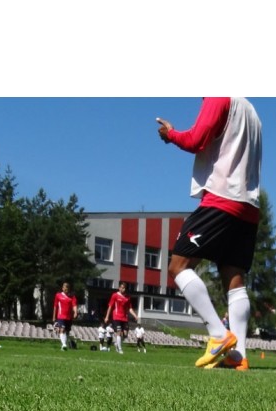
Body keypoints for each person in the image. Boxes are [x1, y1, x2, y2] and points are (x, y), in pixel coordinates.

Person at [157, 97, 262, 371]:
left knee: (178, 266)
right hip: (248, 205)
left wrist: (171, 134)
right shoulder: (251, 111)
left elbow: (196, 140)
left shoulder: (219, 96)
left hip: (221, 198)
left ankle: (217, 333)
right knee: (234, 278)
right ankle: (238, 356)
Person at [104, 282, 139, 355]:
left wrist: (135, 315)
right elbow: (110, 306)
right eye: (122, 288)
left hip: (124, 318)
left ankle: (117, 343)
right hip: (116, 317)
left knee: (125, 334)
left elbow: (130, 308)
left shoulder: (127, 297)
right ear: (119, 288)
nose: (123, 289)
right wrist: (107, 316)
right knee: (119, 332)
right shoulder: (115, 295)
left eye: (124, 288)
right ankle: (120, 349)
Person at [53, 282, 78, 351]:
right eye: (64, 287)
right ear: (62, 288)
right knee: (62, 329)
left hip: (69, 317)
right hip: (61, 316)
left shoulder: (72, 297)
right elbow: (55, 306)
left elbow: (74, 305)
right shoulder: (58, 295)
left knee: (67, 332)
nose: (66, 289)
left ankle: (63, 346)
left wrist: (75, 312)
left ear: (69, 289)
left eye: (67, 288)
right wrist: (54, 316)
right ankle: (64, 344)